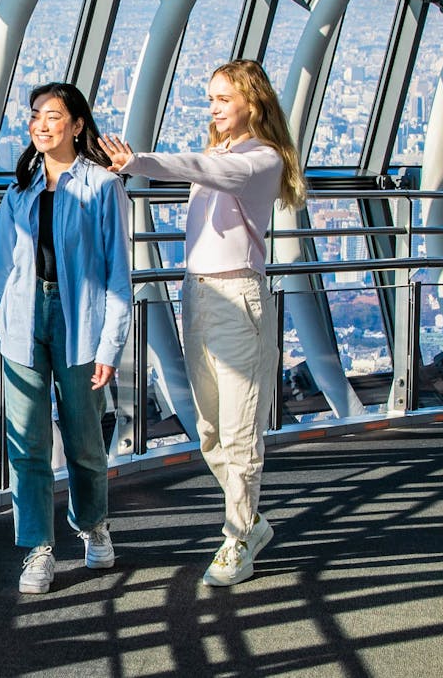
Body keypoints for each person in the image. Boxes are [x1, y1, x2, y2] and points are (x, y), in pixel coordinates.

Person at [98, 58, 306, 587]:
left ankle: (236, 539)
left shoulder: (261, 159)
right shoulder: (220, 154)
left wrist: (138, 161)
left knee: (239, 433)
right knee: (211, 432)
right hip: (196, 293)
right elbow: (206, 167)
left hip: (239, 297)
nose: (212, 107)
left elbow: (207, 171)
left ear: (251, 105)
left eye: (222, 98)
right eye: (210, 97)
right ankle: (253, 523)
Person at [0, 82, 132, 595]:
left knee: (83, 438)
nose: (40, 124)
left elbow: (119, 274)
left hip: (80, 322)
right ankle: (38, 547)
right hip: (21, 323)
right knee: (28, 444)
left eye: (53, 116)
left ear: (78, 126)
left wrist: (110, 347)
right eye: (36, 115)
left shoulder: (103, 187)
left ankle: (92, 524)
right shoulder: (19, 192)